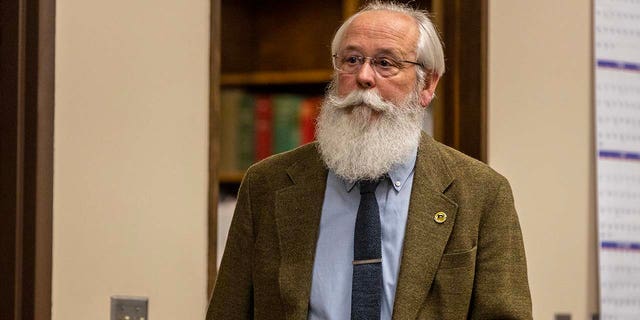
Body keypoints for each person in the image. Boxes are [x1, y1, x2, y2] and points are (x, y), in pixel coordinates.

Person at [206, 1, 532, 319]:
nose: (363, 77)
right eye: (351, 59)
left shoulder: (482, 193)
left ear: (428, 84)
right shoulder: (267, 185)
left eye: (385, 63)